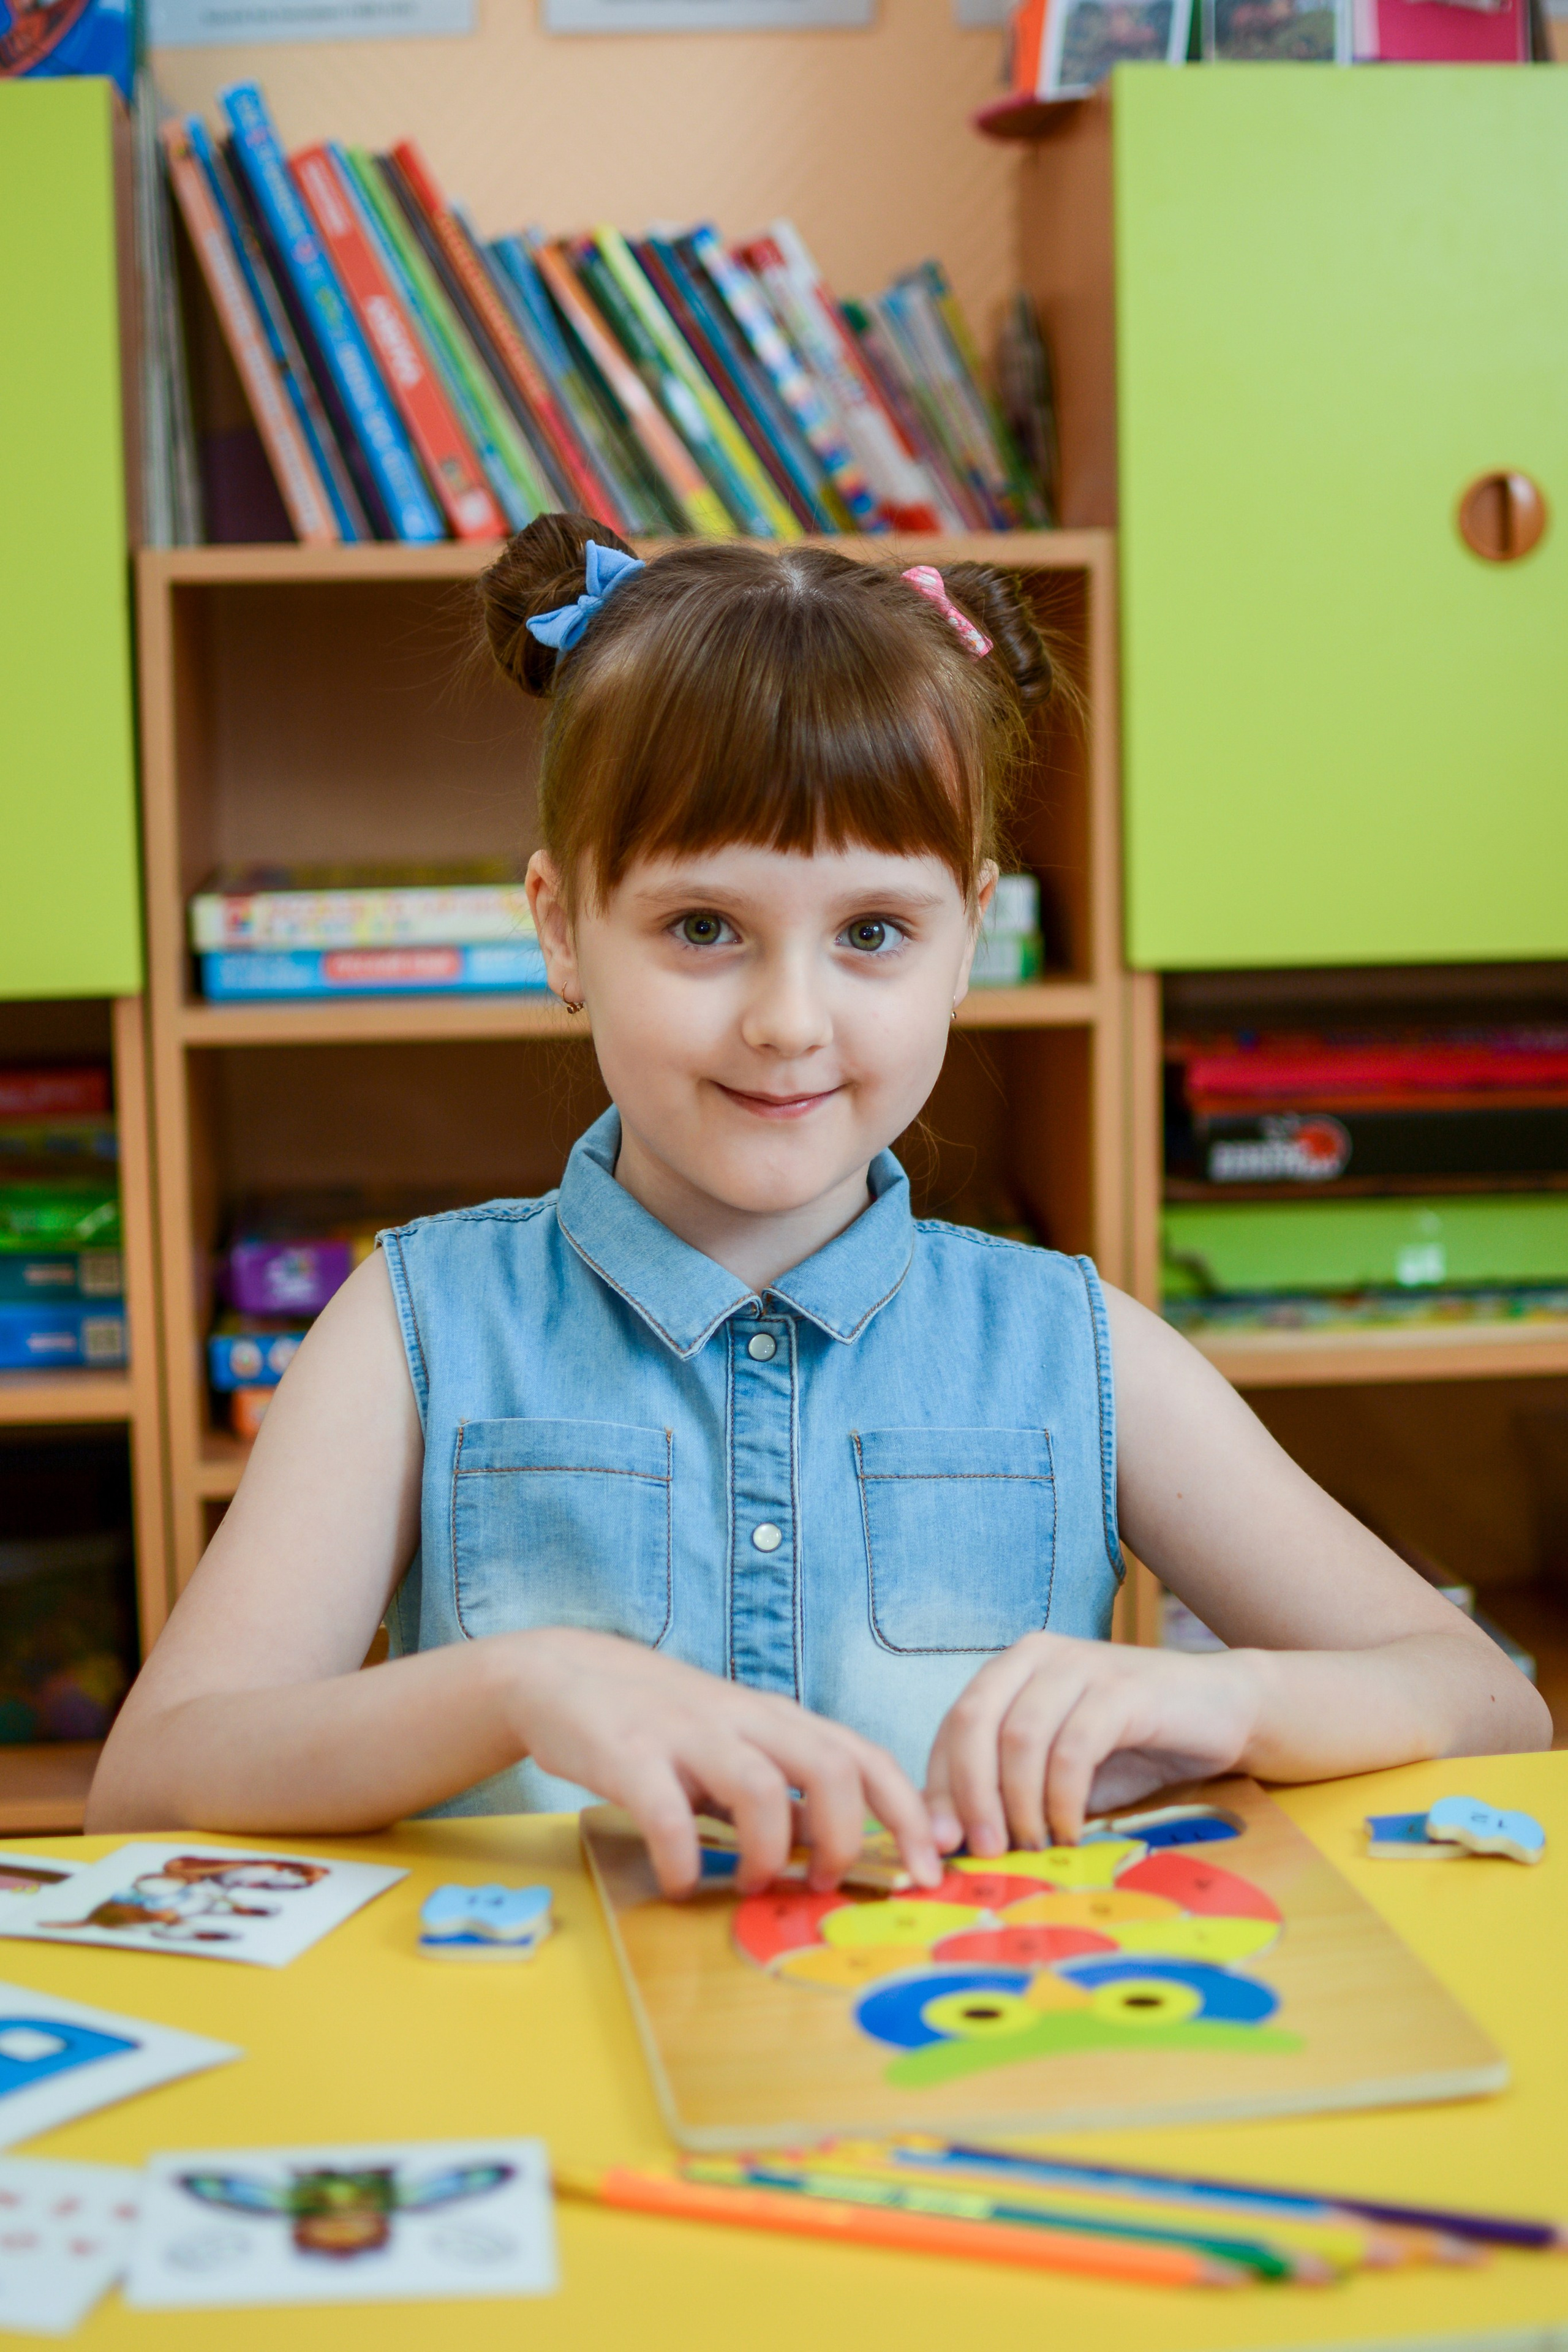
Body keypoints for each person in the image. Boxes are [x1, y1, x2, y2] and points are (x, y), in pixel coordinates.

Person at [88, 516, 1549, 1892]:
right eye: (702, 927)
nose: (790, 1021)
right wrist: (512, 1688)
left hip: (967, 2063)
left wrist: (1218, 1696)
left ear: (968, 938)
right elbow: (150, 1786)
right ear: (561, 928)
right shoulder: (413, 1326)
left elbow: (1487, 1705)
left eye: (870, 933)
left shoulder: (1073, 1344)